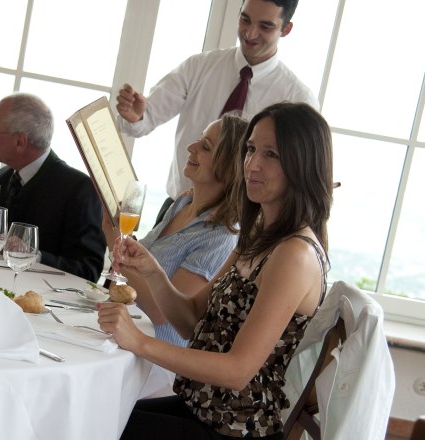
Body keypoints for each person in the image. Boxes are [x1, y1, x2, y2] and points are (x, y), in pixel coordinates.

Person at [99, 102, 332, 439]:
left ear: (303, 166)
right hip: (199, 409)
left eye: (272, 155)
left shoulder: (294, 254)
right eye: (251, 149)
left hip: (232, 429)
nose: (251, 164)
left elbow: (238, 370)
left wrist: (140, 342)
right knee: (99, 410)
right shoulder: (259, 236)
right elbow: (193, 320)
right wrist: (151, 271)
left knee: (93, 424)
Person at [116, 0, 317, 221]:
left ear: (286, 29)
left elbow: (298, 177)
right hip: (179, 210)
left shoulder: (298, 99)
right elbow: (143, 120)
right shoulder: (199, 67)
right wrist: (136, 117)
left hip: (242, 228)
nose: (250, 33)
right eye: (245, 19)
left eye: (265, 26)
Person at [103, 114, 248, 348]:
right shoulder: (181, 204)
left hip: (152, 357)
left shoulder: (221, 237)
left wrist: (113, 238)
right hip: (120, 333)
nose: (191, 147)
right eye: (199, 140)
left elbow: (163, 314)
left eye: (205, 147)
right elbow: (140, 266)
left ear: (229, 167)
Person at [0, 93, 106, 281]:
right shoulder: (0, 178)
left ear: (20, 141)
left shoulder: (79, 189)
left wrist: (34, 256)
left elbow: (88, 270)